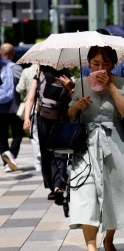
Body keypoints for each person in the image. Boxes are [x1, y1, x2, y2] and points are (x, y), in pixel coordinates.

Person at [68, 46, 124, 251]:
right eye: (95, 64)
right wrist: (76, 106)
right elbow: (70, 116)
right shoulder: (80, 84)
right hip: (86, 147)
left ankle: (109, 240)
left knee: (115, 196)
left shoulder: (121, 83)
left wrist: (111, 86)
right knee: (85, 197)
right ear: (88, 64)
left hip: (115, 146)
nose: (100, 68)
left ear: (112, 64)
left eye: (105, 64)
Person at [23, 66, 73, 201]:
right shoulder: (66, 74)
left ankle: (54, 187)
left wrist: (27, 118)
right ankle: (58, 186)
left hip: (43, 118)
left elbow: (31, 98)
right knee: (59, 151)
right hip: (60, 117)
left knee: (47, 152)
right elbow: (73, 97)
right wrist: (70, 87)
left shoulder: (39, 74)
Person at [0, 43, 23, 173]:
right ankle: (12, 156)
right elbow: (23, 87)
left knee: (2, 136)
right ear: (13, 54)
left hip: (0, 109)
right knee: (18, 134)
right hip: (15, 108)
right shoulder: (17, 68)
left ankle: (6, 161)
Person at [16, 63, 41, 172]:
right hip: (47, 107)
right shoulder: (49, 70)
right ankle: (43, 156)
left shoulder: (26, 71)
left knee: (34, 137)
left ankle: (38, 164)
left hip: (31, 107)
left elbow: (19, 88)